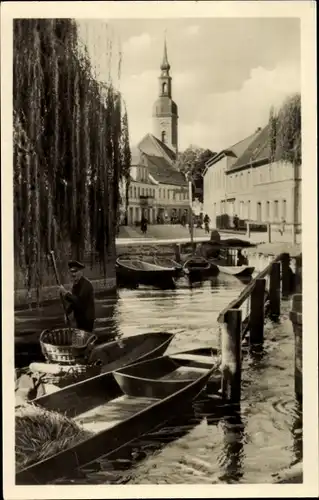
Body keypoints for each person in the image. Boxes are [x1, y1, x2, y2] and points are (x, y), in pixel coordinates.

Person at [59, 260, 95, 333]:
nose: (73, 274)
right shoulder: (75, 285)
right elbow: (73, 304)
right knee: (79, 338)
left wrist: (65, 293)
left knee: (85, 338)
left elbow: (79, 301)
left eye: (75, 271)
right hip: (79, 319)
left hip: (86, 320)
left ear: (81, 272)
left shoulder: (86, 285)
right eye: (71, 272)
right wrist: (67, 313)